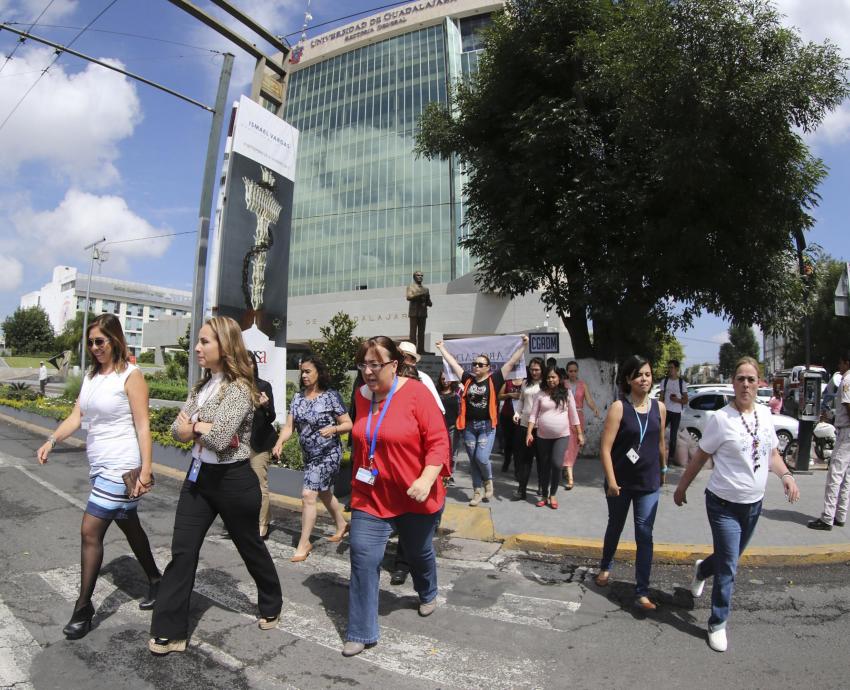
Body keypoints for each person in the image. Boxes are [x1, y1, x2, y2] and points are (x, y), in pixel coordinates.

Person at [149, 316, 282, 656]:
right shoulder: (200, 388)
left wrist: (193, 426)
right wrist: (199, 426)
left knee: (249, 544)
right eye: (199, 341)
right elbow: (173, 430)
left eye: (205, 341)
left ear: (224, 346)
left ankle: (271, 601)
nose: (197, 347)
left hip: (234, 481)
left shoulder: (240, 388)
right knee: (182, 551)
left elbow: (222, 439)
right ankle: (170, 630)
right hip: (198, 480)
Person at [36, 314, 160, 640]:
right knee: (128, 522)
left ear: (115, 340)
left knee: (90, 529)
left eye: (100, 341)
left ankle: (83, 608)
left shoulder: (131, 375)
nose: (94, 348)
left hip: (123, 466)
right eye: (90, 342)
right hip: (100, 466)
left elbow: (143, 425)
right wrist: (52, 440)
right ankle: (157, 580)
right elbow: (77, 416)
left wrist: (146, 469)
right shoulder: (93, 377)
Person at [674, 356, 799, 652]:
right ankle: (717, 622)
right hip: (722, 505)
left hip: (753, 506)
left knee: (727, 560)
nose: (745, 384)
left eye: (751, 379)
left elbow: (772, 455)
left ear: (759, 384)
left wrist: (787, 476)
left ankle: (703, 570)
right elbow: (700, 457)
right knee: (730, 565)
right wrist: (681, 488)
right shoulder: (720, 419)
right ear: (733, 383)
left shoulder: (766, 416)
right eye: (740, 378)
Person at [342, 336, 450, 657]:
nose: (369, 372)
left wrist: (427, 477)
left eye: (376, 364)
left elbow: (439, 441)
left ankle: (427, 590)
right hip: (371, 495)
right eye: (363, 365)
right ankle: (361, 631)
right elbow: (361, 438)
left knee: (417, 552)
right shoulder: (361, 396)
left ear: (394, 364)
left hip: (414, 495)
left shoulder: (416, 393)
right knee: (363, 557)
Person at [595, 355, 667, 612]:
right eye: (638, 375)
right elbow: (605, 448)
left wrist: (664, 468)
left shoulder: (659, 407)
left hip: (648, 483)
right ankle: (605, 566)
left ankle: (642, 591)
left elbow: (660, 443)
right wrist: (612, 481)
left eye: (647, 374)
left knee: (644, 535)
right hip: (620, 483)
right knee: (615, 526)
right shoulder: (619, 408)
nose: (644, 379)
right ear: (628, 379)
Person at [272, 355, 352, 561]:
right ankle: (342, 524)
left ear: (318, 372)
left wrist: (333, 429)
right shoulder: (298, 397)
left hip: (328, 454)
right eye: (302, 372)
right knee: (323, 492)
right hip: (310, 455)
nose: (304, 375)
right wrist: (280, 442)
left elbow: (348, 424)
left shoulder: (331, 396)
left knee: (308, 495)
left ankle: (304, 543)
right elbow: (289, 427)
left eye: (308, 371)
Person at [435, 335, 529, 506]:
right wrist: (442, 348)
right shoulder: (468, 379)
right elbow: (454, 364)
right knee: (473, 461)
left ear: (488, 367)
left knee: (481, 458)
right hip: (469, 427)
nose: (476, 367)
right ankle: (477, 491)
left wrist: (524, 345)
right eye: (474, 364)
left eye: (480, 364)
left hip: (486, 426)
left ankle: (488, 481)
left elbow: (511, 360)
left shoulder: (495, 379)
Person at [526, 366, 583, 509]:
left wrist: (579, 433)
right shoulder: (540, 394)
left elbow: (573, 415)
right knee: (544, 466)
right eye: (549, 377)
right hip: (542, 436)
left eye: (554, 377)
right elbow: (533, 415)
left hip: (562, 436)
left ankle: (553, 494)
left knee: (557, 464)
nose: (551, 380)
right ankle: (545, 495)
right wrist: (529, 433)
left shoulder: (567, 393)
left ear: (559, 378)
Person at [807, 351, 850, 531]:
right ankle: (840, 515)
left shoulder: (847, 381)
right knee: (847, 477)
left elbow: (848, 406)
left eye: (841, 363)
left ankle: (827, 518)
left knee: (835, 475)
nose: (839, 367)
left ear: (847, 362)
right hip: (845, 429)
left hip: (846, 433)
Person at [249, 353, 277, 539]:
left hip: (259, 443)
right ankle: (246, 520)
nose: (246, 366)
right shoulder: (234, 387)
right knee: (241, 485)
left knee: (260, 485)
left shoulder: (263, 386)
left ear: (254, 365)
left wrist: (265, 406)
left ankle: (262, 524)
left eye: (249, 362)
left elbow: (272, 417)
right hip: (238, 444)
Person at [562, 360, 600, 489]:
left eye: (575, 371)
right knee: (568, 444)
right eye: (570, 371)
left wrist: (594, 408)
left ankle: (566, 466)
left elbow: (588, 399)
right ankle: (570, 477)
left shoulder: (583, 385)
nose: (573, 373)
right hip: (565, 417)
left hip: (578, 417)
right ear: (567, 372)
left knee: (574, 445)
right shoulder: (563, 384)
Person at [512, 357, 544, 500]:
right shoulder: (526, 383)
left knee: (542, 459)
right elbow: (521, 400)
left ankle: (542, 486)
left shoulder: (546, 384)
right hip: (525, 426)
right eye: (531, 369)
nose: (534, 372)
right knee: (525, 459)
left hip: (543, 427)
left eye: (537, 369)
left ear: (542, 370)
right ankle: (521, 489)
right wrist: (517, 413)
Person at [398, 340, 445, 413]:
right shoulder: (391, 376)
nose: (401, 360)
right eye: (399, 356)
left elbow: (437, 408)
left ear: (413, 361)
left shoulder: (424, 378)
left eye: (405, 357)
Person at [660, 359, 688, 467]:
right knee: (659, 432)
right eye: (668, 367)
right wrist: (659, 407)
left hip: (676, 412)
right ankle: (658, 454)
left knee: (673, 437)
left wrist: (677, 400)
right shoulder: (664, 381)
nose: (669, 370)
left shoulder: (682, 383)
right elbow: (661, 397)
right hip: (665, 411)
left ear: (677, 369)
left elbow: (686, 400)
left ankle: (670, 459)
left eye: (671, 367)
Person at [437, 371, 461, 479]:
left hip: (453, 427)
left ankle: (450, 474)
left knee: (452, 451)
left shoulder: (457, 393)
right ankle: (442, 473)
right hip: (439, 428)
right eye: (442, 379)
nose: (445, 381)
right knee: (441, 451)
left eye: (446, 379)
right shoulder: (436, 392)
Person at [498, 378, 522, 473]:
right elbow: (499, 396)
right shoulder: (507, 382)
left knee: (518, 443)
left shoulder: (525, 381)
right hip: (507, 415)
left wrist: (521, 396)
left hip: (520, 416)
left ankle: (517, 468)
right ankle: (507, 461)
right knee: (508, 441)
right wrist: (509, 395)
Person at [405, 270, 432, 355]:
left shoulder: (426, 289)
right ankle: (412, 351)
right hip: (414, 312)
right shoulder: (411, 287)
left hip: (423, 313)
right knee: (413, 333)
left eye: (421, 275)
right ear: (414, 277)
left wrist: (428, 301)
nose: (420, 277)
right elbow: (409, 297)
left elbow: (429, 303)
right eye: (418, 275)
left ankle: (421, 350)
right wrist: (420, 294)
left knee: (421, 333)